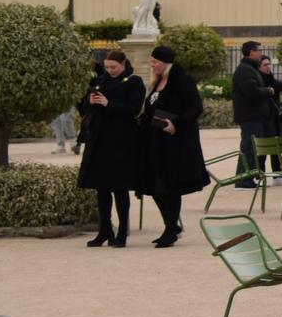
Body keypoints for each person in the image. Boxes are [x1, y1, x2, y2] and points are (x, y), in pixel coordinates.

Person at [137, 46, 210, 248]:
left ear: (166, 63)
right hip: (155, 141)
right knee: (154, 185)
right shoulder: (157, 82)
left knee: (170, 187)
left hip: (175, 143)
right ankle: (172, 225)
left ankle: (170, 230)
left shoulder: (183, 81)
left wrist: (177, 124)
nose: (152, 65)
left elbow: (195, 108)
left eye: (155, 62)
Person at [77, 49, 143, 247]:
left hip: (120, 140)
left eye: (114, 67)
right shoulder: (101, 80)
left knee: (119, 188)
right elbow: (84, 107)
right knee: (101, 187)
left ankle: (122, 232)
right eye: (107, 67)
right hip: (99, 139)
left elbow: (134, 110)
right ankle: (105, 230)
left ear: (123, 64)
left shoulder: (133, 81)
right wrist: (90, 102)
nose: (110, 71)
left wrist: (108, 103)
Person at [229, 41, 271, 189]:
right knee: (248, 147)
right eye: (259, 50)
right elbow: (251, 91)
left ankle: (247, 178)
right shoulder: (245, 70)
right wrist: (268, 91)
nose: (261, 53)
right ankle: (243, 179)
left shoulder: (250, 68)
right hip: (249, 115)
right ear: (251, 52)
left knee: (251, 147)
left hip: (253, 114)